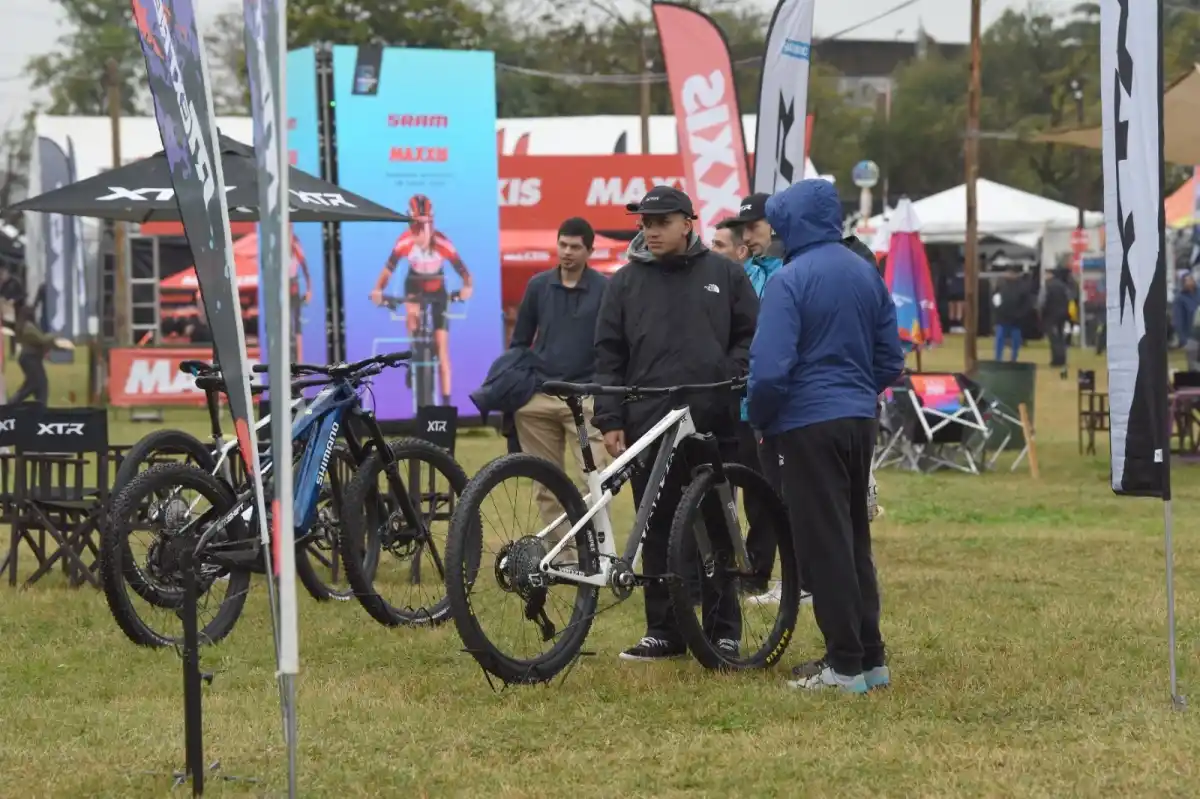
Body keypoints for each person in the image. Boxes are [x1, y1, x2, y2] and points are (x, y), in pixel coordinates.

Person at [747, 179, 904, 694]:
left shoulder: (788, 281)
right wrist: (858, 392)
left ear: (792, 223)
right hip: (859, 419)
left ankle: (843, 665)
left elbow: (769, 370)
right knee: (855, 538)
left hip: (806, 422)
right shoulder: (866, 273)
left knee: (823, 544)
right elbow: (890, 360)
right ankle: (870, 657)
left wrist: (762, 419)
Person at [593, 185, 758, 662]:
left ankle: (723, 630)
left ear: (688, 222)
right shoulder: (624, 282)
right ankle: (664, 630)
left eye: (661, 221)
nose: (651, 230)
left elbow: (751, 335)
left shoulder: (725, 274)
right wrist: (610, 417)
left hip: (712, 420)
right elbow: (608, 354)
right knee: (657, 526)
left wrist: (729, 375)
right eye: (645, 222)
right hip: (648, 421)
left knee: (717, 524)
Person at [715, 197, 811, 609]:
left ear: (773, 228)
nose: (749, 235)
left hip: (761, 400)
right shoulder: (737, 276)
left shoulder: (784, 275)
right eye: (744, 228)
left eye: (754, 227)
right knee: (720, 490)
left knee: (763, 492)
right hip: (724, 398)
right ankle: (726, 570)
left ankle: (760, 572)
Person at [510, 218, 610, 552]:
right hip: (539, 400)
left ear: (589, 250)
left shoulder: (604, 288)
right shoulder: (538, 285)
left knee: (594, 479)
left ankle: (597, 550)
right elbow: (520, 342)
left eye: (575, 247)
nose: (567, 252)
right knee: (545, 483)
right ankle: (565, 555)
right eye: (562, 245)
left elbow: (613, 343)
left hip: (583, 402)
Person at [369, 194, 474, 406]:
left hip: (438, 291)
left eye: (426, 224)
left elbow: (465, 274)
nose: (421, 230)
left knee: (443, 349)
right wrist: (378, 290)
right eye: (417, 224)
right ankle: (413, 357)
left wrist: (466, 289)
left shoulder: (443, 243)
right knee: (411, 315)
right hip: (414, 286)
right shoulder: (405, 241)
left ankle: (445, 404)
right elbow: (388, 269)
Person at [8, 303, 67, 406]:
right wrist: (56, 335)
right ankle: (11, 405)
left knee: (37, 384)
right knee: (34, 385)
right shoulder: (29, 327)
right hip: (30, 359)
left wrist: (60, 347)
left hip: (31, 359)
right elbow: (42, 339)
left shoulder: (28, 326)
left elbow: (41, 342)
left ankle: (39, 407)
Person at [992, 265, 1033, 362]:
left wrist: (1020, 314)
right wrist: (998, 309)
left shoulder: (1023, 287)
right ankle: (998, 359)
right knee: (1000, 340)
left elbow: (1027, 303)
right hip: (1003, 318)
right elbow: (995, 299)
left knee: (1015, 341)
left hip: (1015, 320)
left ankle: (1013, 359)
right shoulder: (1001, 285)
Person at [1041, 267, 1073, 372]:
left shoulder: (1047, 286)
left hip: (1050, 315)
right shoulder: (1063, 286)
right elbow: (1069, 299)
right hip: (1062, 315)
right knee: (1060, 337)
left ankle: (1056, 360)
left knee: (1053, 339)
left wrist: (1041, 313)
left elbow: (1042, 301)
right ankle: (1062, 359)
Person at [1173, 271, 1198, 349]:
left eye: (1190, 278)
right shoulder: (1180, 299)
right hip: (1191, 337)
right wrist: (1183, 340)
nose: (1189, 281)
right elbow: (1178, 320)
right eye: (1186, 280)